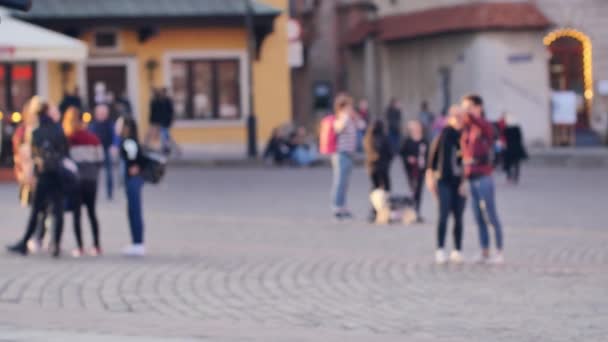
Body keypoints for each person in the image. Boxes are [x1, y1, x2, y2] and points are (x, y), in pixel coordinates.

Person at [7, 103, 69, 258]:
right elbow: (65, 150)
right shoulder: (58, 129)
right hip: (58, 173)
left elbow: (34, 155)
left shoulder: (36, 132)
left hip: (43, 175)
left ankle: (25, 242)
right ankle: (55, 244)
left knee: (36, 210)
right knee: (57, 210)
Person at [461, 94, 504, 264]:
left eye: (469, 107)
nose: (466, 111)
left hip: (484, 175)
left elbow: (478, 122)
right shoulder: (468, 128)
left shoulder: (485, 125)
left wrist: (466, 113)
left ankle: (499, 250)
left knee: (491, 215)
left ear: (479, 107)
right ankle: (484, 250)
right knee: (477, 216)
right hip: (471, 175)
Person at [426, 105, 467, 265]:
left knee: (458, 216)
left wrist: (465, 181)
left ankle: (457, 249)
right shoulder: (444, 134)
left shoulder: (465, 136)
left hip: (460, 182)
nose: (457, 119)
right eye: (454, 116)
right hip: (444, 180)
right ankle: (440, 249)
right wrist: (429, 176)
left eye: (460, 116)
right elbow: (433, 157)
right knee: (443, 215)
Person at [63, 107, 104, 257]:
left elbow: (65, 161)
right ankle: (97, 245)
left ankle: (79, 247)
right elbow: (100, 159)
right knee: (92, 212)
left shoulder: (68, 140)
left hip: (75, 180)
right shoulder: (93, 138)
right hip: (91, 180)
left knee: (77, 214)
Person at [331, 93, 365, 219]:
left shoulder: (351, 118)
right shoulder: (341, 117)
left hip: (350, 154)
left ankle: (343, 206)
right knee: (339, 182)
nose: (351, 108)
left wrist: (355, 117)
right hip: (341, 154)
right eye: (349, 106)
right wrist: (345, 117)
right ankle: (336, 207)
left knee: (345, 182)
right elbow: (337, 129)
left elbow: (362, 125)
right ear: (342, 107)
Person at [120, 117, 147, 256]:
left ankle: (138, 243)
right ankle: (136, 242)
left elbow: (135, 158)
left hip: (133, 180)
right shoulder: (131, 141)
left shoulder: (129, 142)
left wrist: (135, 167)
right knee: (132, 210)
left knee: (134, 210)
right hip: (134, 179)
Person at [363, 120, 393, 222]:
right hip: (383, 167)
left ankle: (374, 210)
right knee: (386, 188)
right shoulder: (384, 138)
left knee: (374, 189)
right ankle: (385, 210)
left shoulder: (368, 138)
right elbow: (390, 152)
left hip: (372, 167)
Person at [400, 120, 428, 221]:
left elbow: (428, 154)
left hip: (421, 169)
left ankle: (417, 211)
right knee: (413, 190)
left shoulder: (424, 140)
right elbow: (402, 153)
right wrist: (408, 158)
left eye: (418, 127)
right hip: (411, 170)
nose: (416, 129)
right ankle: (412, 211)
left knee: (419, 191)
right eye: (414, 127)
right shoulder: (407, 141)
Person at [89, 104, 115, 200]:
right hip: (96, 150)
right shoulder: (93, 125)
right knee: (95, 173)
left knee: (109, 173)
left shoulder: (110, 124)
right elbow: (90, 137)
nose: (102, 115)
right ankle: (94, 192)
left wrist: (114, 146)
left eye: (103, 113)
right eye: (100, 113)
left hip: (107, 149)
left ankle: (110, 193)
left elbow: (114, 136)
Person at [149, 88, 175, 154]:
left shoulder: (166, 101)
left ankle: (166, 148)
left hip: (165, 121)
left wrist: (170, 119)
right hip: (161, 121)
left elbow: (170, 111)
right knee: (164, 135)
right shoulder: (160, 101)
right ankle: (166, 147)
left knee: (164, 135)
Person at [503, 115, 527, 184]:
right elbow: (520, 137)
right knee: (516, 163)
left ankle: (509, 176)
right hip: (517, 148)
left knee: (508, 163)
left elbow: (505, 137)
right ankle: (516, 177)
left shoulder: (506, 128)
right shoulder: (517, 128)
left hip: (509, 148)